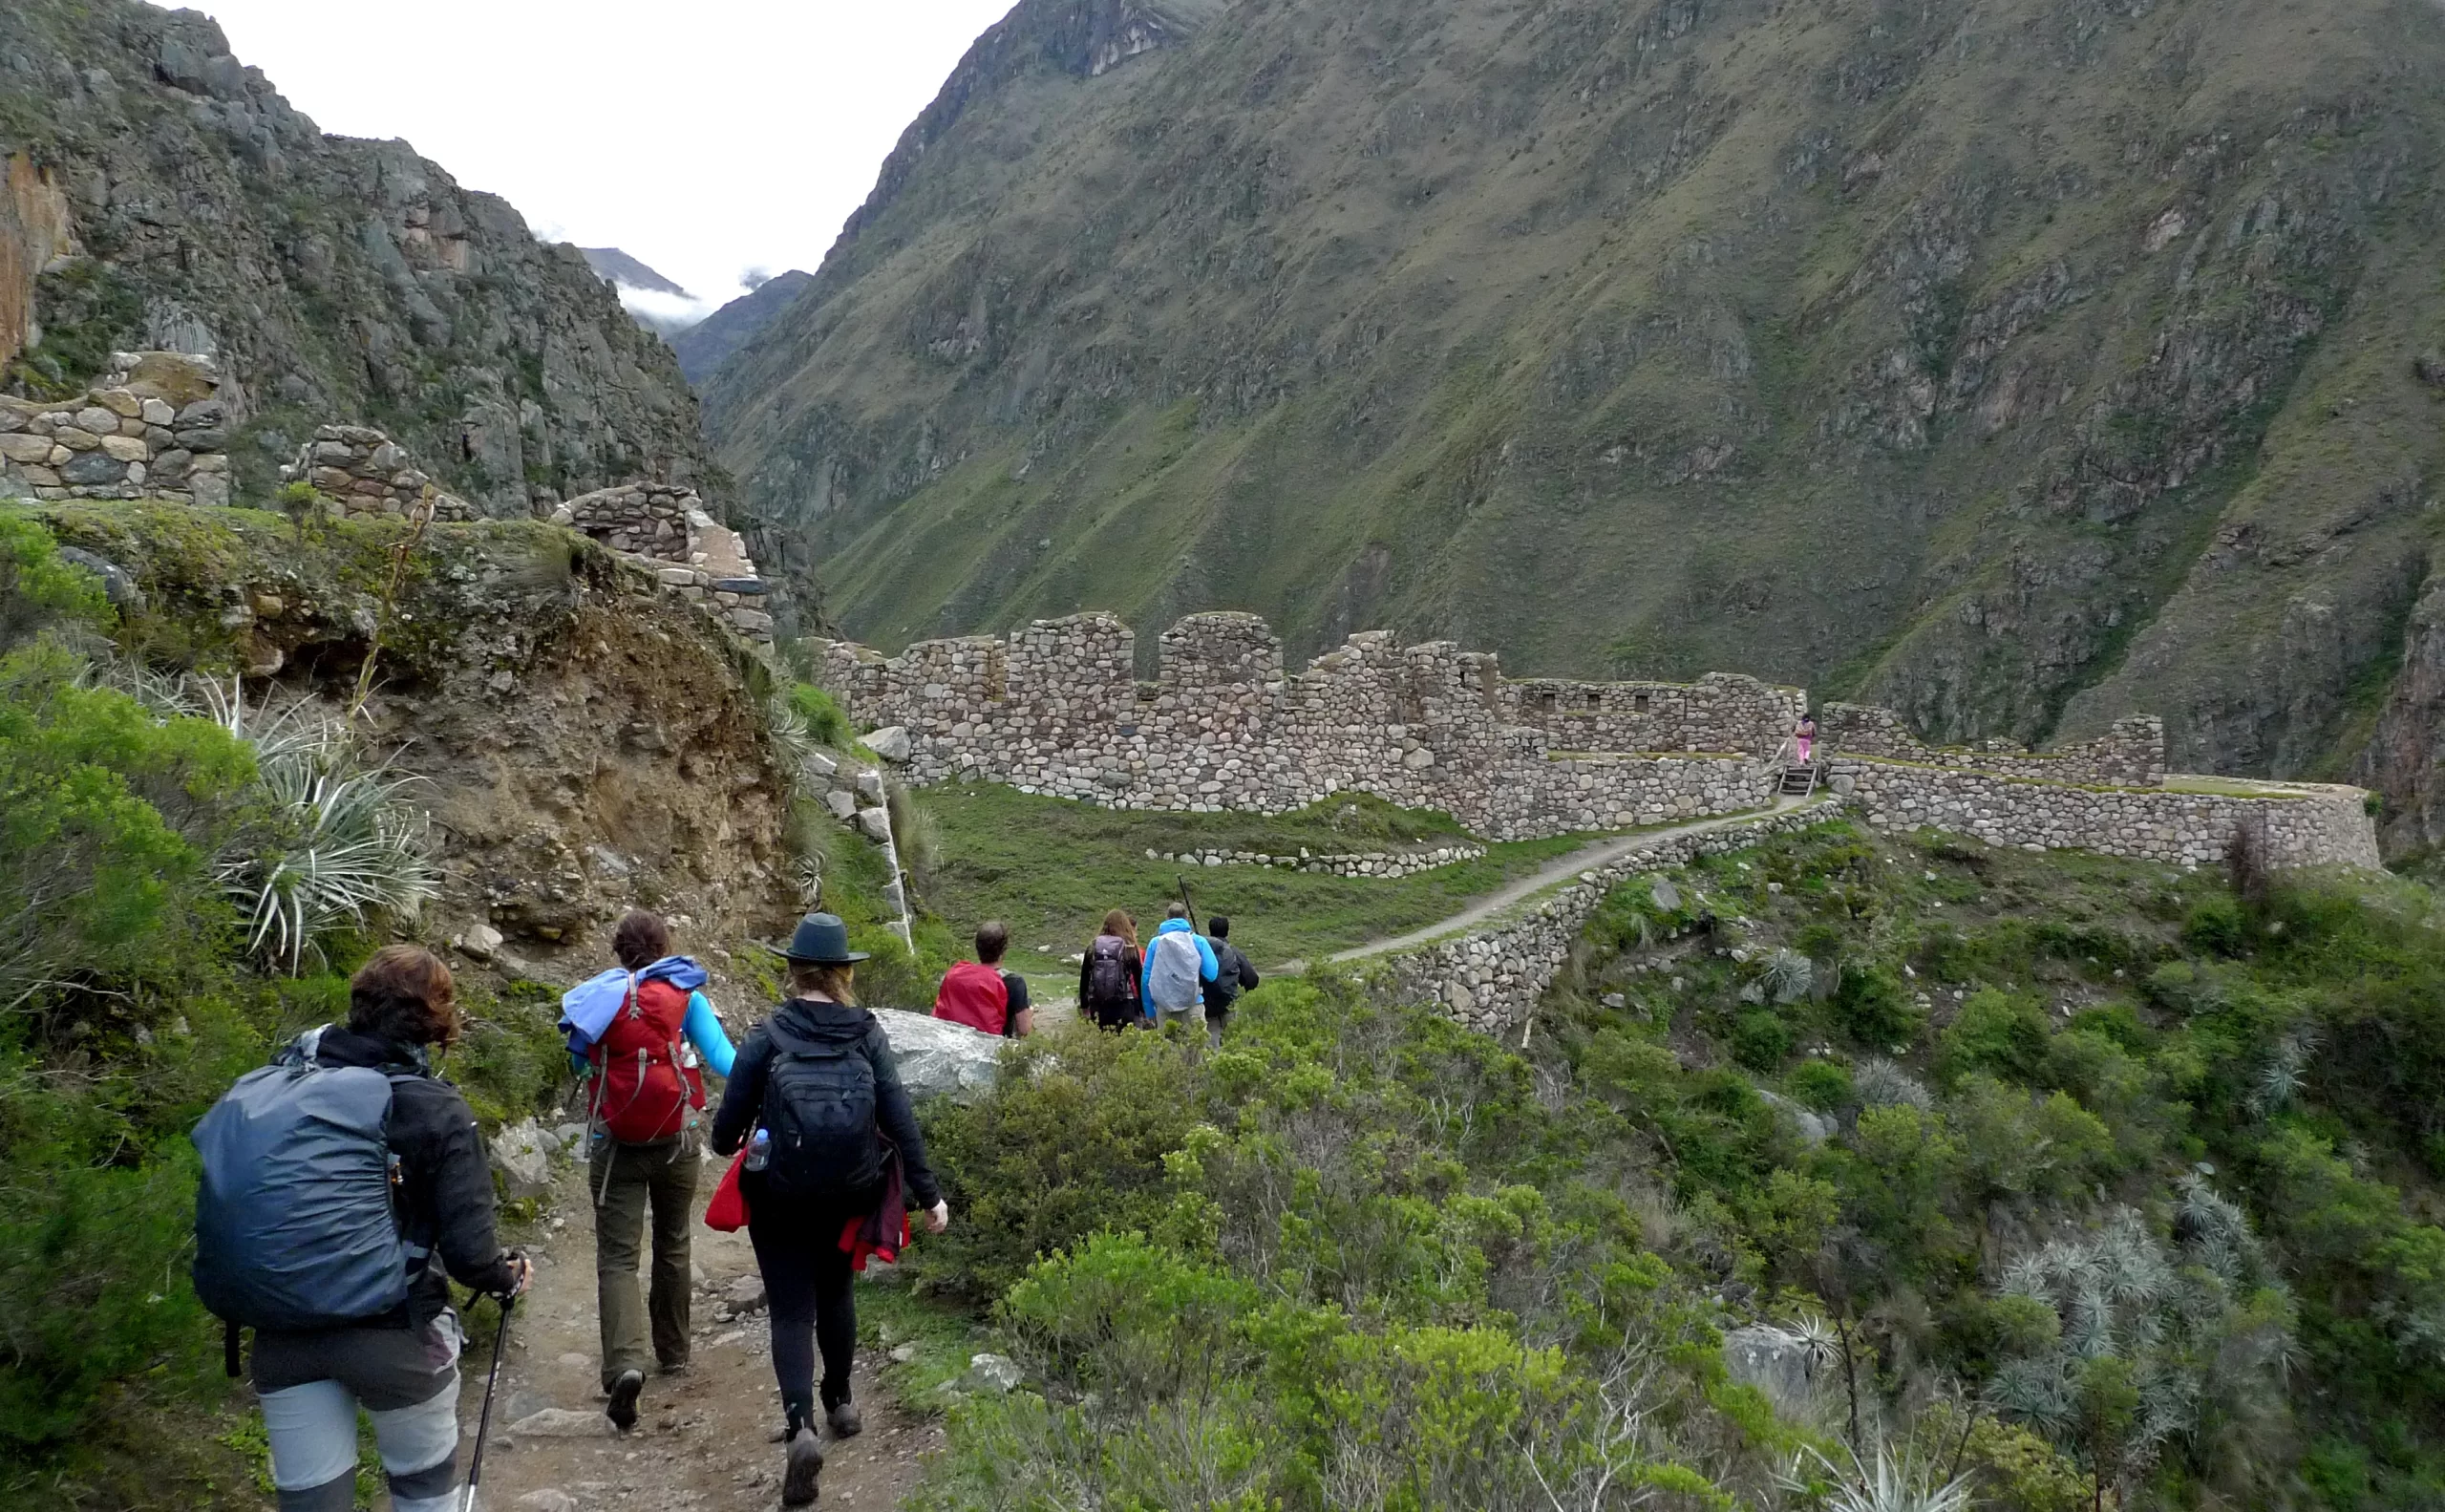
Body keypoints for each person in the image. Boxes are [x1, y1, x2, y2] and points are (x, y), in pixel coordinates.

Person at [194, 946, 533, 1512]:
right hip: (398, 1335)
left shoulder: (286, 1086)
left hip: (283, 1334)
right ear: (435, 1021)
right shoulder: (436, 1109)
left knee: (311, 1503)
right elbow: (471, 1254)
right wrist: (507, 1278)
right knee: (422, 1490)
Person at [712, 913, 949, 1507]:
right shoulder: (866, 1034)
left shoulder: (767, 1034)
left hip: (781, 1197)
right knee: (837, 1291)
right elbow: (900, 1119)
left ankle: (800, 1430)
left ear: (793, 970)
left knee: (791, 1312)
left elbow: (723, 1136)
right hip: (851, 1190)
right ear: (844, 971)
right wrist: (929, 1195)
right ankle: (840, 1401)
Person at [585, 909, 737, 1430]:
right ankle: (673, 1352)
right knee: (673, 1242)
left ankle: (625, 1363)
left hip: (614, 1145)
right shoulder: (685, 996)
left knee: (618, 1258)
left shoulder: (598, 1000)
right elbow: (724, 1060)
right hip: (677, 1140)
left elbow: (581, 1064)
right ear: (664, 948)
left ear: (618, 950)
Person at [931, 919, 1033, 1037]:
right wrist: (1029, 1015)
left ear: (977, 948)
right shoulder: (1014, 982)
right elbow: (1024, 1029)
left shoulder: (956, 974)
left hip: (952, 1039)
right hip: (990, 1045)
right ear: (1003, 951)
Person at [1141, 901, 1219, 1036]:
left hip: (1164, 1008)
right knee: (1195, 1051)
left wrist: (1150, 1010)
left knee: (1168, 1053)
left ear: (1167, 918)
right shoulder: (1198, 941)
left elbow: (1146, 979)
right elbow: (1211, 974)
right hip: (1193, 1004)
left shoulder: (1155, 943)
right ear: (1186, 917)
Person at [1199, 915, 1262, 1049]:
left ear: (1210, 930)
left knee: (1211, 1047)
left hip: (1207, 1007)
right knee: (1237, 1043)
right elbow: (1252, 980)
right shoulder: (1233, 952)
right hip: (1229, 1004)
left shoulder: (1200, 951)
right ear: (1227, 931)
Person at [1078, 909, 1143, 1032]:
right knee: (1124, 1045)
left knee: (1101, 1044)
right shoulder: (1130, 948)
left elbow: (1084, 979)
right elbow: (1139, 980)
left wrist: (1084, 1006)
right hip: (1124, 1004)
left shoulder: (1093, 947)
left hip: (1098, 1005)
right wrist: (1143, 1009)